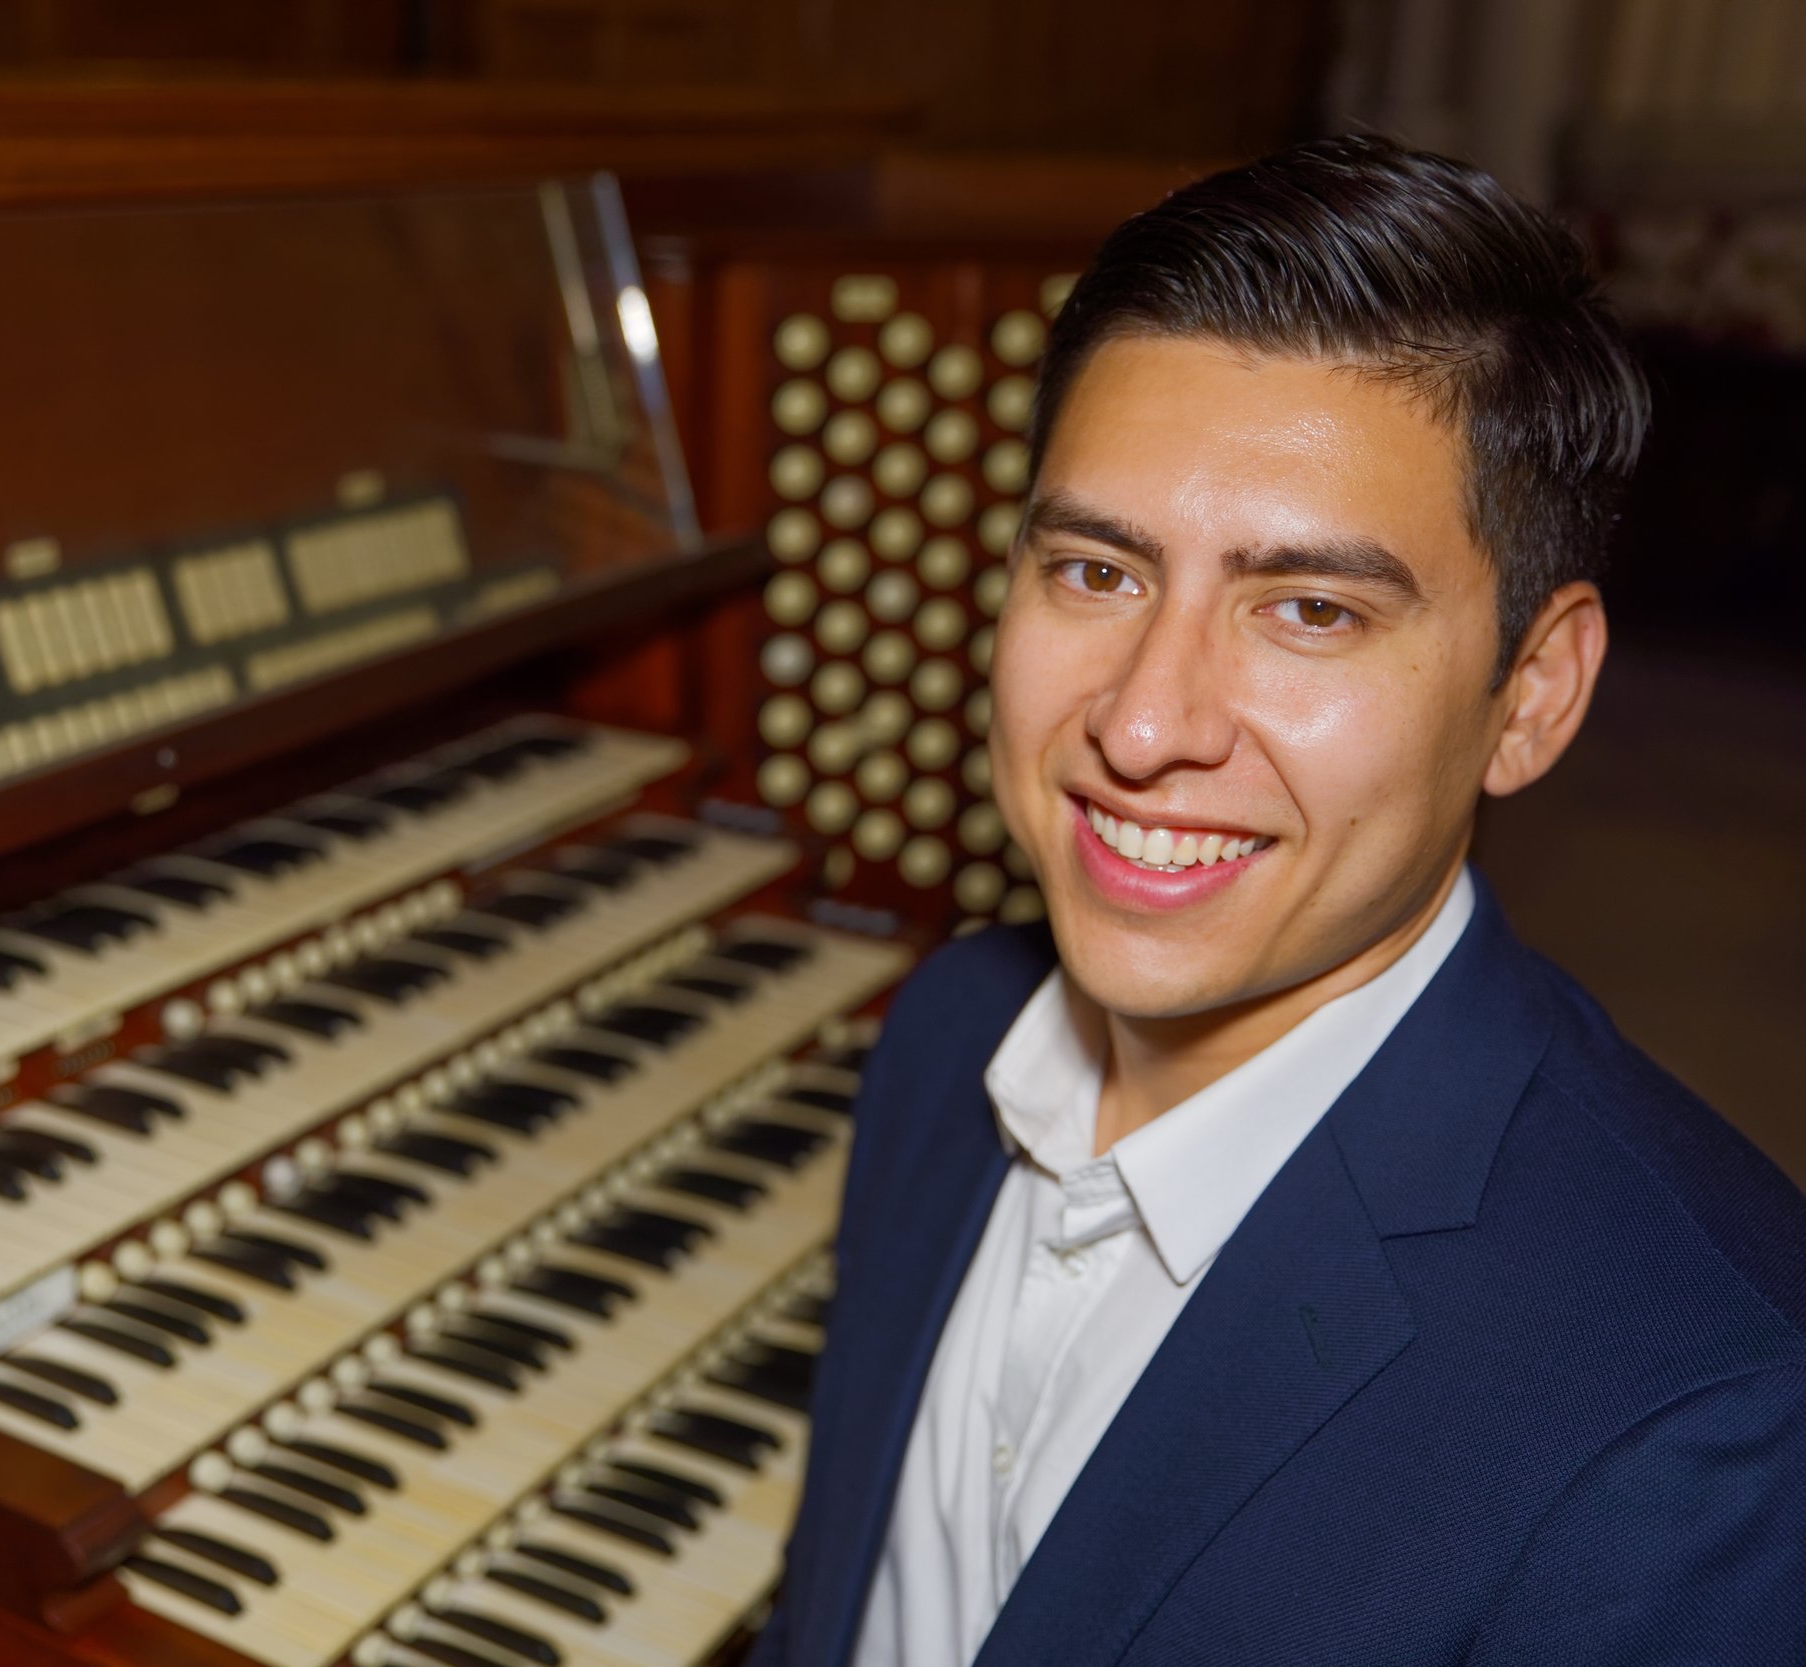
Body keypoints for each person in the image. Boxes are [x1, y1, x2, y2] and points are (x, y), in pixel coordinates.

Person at [756, 135, 1806, 1667]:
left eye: (1308, 610)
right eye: (1099, 572)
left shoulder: (1701, 1431)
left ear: (1532, 694)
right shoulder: (944, 1032)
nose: (1140, 721)